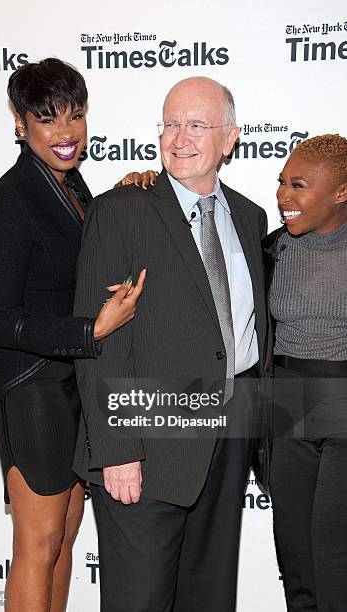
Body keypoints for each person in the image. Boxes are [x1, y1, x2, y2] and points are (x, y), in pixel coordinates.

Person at [72, 76, 269, 611]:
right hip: (146, 448)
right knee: (140, 601)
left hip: (228, 442)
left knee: (208, 598)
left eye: (196, 125)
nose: (178, 138)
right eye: (170, 124)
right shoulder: (121, 211)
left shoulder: (251, 218)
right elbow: (100, 340)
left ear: (229, 138)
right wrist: (116, 452)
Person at [0, 57, 146, 612]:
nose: (67, 133)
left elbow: (80, 258)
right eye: (48, 120)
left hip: (72, 377)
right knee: (39, 540)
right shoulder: (12, 199)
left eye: (75, 116)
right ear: (21, 123)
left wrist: (124, 195)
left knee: (66, 534)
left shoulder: (71, 185)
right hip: (29, 384)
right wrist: (91, 328)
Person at [264, 134, 347, 611]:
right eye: (281, 183)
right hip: (287, 407)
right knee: (297, 565)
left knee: (335, 564)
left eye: (298, 185)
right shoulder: (273, 249)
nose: (283, 197)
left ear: (340, 193)